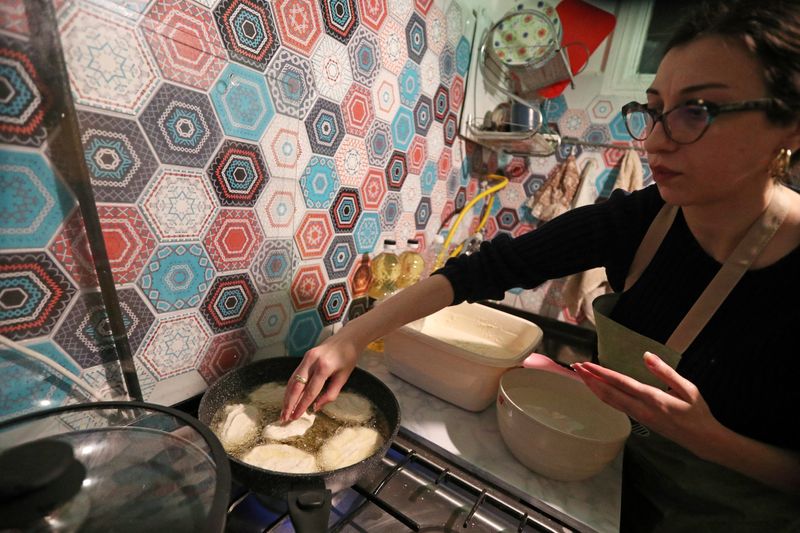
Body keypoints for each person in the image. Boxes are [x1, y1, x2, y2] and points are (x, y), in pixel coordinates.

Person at [282, 0, 800, 529]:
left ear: (791, 127)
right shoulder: (644, 220)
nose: (655, 140)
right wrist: (349, 339)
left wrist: (709, 439)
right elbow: (488, 268)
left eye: (698, 110)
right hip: (618, 488)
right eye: (654, 109)